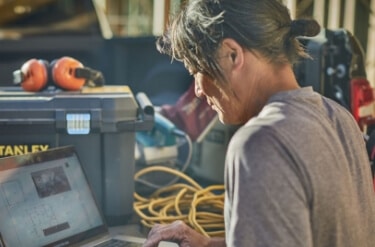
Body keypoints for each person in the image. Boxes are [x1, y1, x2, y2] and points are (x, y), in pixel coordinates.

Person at [143, 0, 375, 246]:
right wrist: (207, 243)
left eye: (195, 71)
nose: (198, 91)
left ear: (232, 55)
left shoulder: (259, 143)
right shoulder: (340, 118)